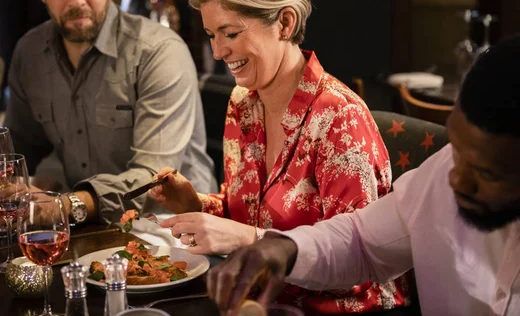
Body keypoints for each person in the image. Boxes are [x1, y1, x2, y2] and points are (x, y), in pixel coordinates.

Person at [148, 0, 409, 313]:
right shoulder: (242, 102)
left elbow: (358, 263)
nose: (219, 51)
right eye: (211, 34)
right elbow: (249, 214)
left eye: (231, 33)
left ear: (285, 23)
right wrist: (198, 205)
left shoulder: (339, 118)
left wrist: (248, 239)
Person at [207, 36, 520, 316]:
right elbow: (362, 241)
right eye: (455, 148)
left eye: (486, 173)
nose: (456, 181)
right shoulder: (444, 173)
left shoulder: (338, 113)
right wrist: (284, 249)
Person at [0, 0, 216, 226]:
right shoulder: (29, 52)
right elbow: (22, 152)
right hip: (86, 225)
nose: (76, 1)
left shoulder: (158, 52)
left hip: (173, 230)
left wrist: (66, 206)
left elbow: (154, 180)